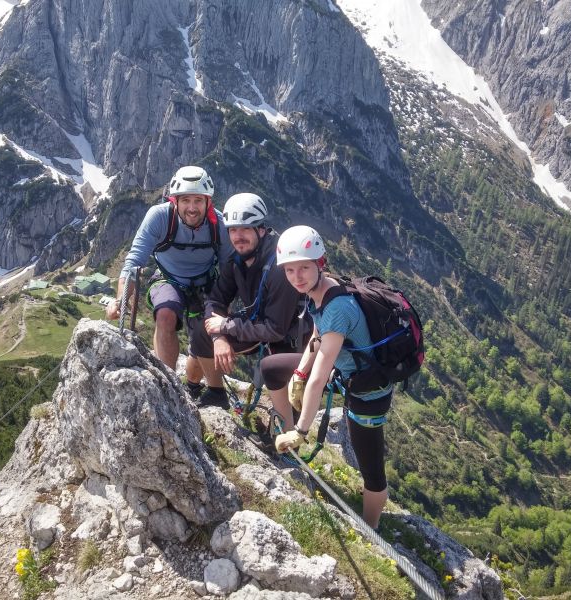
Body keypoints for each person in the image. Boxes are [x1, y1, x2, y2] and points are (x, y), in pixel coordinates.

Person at [260, 225, 393, 529]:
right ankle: (282, 438)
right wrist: (298, 373)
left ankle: (371, 529)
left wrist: (302, 431)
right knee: (271, 367)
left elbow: (319, 378)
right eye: (290, 270)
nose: (297, 277)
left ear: (320, 263)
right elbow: (317, 338)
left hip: (367, 392)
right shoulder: (321, 290)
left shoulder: (338, 307)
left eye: (304, 268)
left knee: (372, 471)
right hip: (347, 373)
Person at [107, 166, 233, 395]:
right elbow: (134, 262)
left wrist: (224, 309)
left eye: (198, 200)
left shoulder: (219, 225)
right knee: (165, 314)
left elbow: (228, 269)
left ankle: (199, 387)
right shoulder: (159, 217)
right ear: (175, 201)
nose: (192, 208)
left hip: (206, 284)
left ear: (208, 202)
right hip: (168, 279)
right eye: (185, 200)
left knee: (203, 339)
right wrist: (120, 300)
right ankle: (167, 389)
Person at [188, 193, 312, 407]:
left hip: (290, 334)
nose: (238, 237)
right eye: (233, 230)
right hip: (257, 322)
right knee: (202, 331)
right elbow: (215, 300)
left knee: (289, 399)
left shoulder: (280, 267)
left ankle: (288, 426)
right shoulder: (236, 260)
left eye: (245, 229)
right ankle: (215, 393)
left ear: (261, 230)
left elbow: (275, 330)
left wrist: (227, 325)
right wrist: (219, 337)